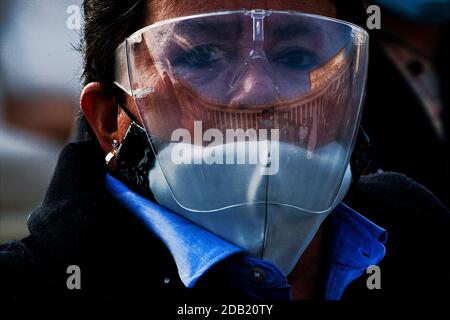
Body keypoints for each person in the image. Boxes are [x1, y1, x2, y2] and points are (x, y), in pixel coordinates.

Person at [1, 0, 449, 303]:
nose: (258, 92)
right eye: (201, 56)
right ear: (107, 120)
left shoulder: (423, 241)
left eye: (296, 57)